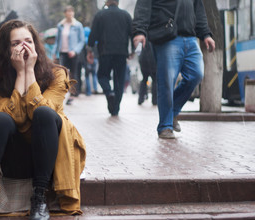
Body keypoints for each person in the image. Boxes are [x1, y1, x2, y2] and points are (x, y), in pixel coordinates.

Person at [0, 20, 86, 220]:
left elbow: (45, 110)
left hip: (48, 157)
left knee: (44, 113)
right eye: (16, 43)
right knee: (0, 120)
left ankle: (39, 198)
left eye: (28, 41)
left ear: (36, 45)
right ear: (5, 50)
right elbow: (13, 117)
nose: (24, 47)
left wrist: (30, 74)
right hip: (14, 159)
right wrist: (21, 74)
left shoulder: (57, 75)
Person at [132, 0, 215, 139]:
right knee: (167, 82)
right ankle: (165, 126)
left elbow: (199, 11)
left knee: (196, 74)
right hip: (168, 37)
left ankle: (173, 111)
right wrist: (140, 31)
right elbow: (143, 6)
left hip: (190, 38)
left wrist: (206, 34)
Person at [88, 0, 134, 116]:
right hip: (121, 52)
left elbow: (93, 34)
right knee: (119, 80)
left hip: (105, 52)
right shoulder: (126, 15)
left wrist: (90, 49)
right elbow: (132, 33)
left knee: (102, 76)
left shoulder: (100, 15)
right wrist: (132, 50)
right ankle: (115, 109)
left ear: (107, 2)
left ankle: (109, 93)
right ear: (118, 2)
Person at [53, 5, 85, 97]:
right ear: (65, 13)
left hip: (73, 52)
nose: (70, 13)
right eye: (68, 11)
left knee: (74, 72)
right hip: (63, 52)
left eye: (72, 11)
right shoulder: (60, 25)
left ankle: (74, 91)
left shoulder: (78, 25)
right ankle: (65, 91)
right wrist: (54, 53)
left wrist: (75, 51)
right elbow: (57, 40)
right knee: (64, 72)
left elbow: (81, 40)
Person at [138, 41, 157, 106]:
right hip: (152, 62)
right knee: (155, 80)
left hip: (143, 62)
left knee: (144, 80)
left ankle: (140, 98)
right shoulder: (153, 38)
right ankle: (155, 100)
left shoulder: (143, 38)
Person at [84, 26, 99, 96]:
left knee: (87, 75)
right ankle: (95, 89)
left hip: (88, 60)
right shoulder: (95, 40)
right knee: (94, 74)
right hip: (95, 59)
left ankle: (89, 91)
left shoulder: (85, 41)